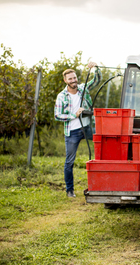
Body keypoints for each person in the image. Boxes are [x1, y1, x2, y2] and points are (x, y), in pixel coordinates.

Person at [54, 62, 102, 198]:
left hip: (86, 127)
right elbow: (57, 115)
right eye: (70, 79)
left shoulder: (83, 89)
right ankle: (70, 190)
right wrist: (73, 115)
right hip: (72, 132)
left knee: (104, 141)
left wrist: (96, 68)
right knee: (69, 162)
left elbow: (97, 80)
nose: (73, 80)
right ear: (65, 81)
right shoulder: (61, 96)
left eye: (74, 77)